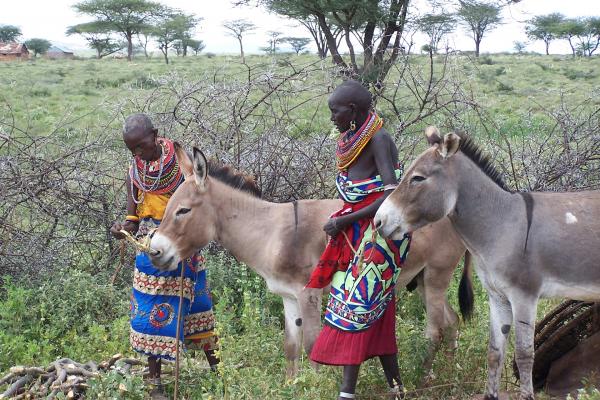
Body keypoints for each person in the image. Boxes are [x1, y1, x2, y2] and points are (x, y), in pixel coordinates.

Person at [306, 81, 410, 400]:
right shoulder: (352, 138)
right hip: (354, 233)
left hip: (381, 233)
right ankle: (397, 388)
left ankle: (346, 393)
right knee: (375, 310)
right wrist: (346, 222)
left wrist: (343, 220)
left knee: (354, 306)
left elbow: (392, 197)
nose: (331, 117)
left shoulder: (379, 139)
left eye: (334, 111)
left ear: (352, 111)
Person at [110, 114, 219, 399]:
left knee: (198, 307)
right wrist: (123, 228)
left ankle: (217, 371)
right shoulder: (134, 170)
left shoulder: (181, 164)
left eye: (141, 146)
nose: (137, 154)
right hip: (150, 244)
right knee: (149, 311)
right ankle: (155, 381)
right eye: (131, 149)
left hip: (182, 242)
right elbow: (133, 219)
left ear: (155, 135)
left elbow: (197, 204)